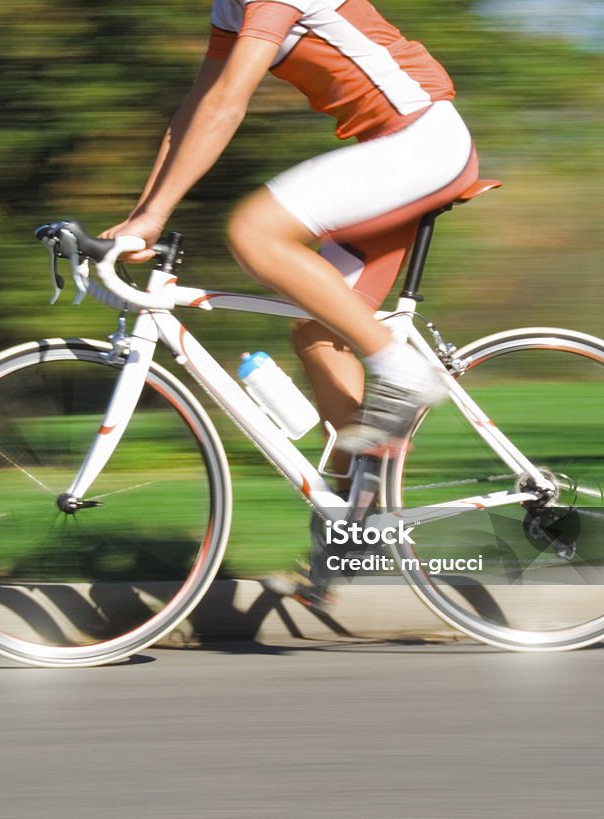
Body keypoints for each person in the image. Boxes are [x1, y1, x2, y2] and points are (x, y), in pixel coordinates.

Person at [103, 0, 480, 608]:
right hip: (393, 149)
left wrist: (157, 213)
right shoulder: (230, 8)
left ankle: (403, 369)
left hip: (421, 141)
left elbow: (230, 100)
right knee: (317, 331)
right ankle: (356, 520)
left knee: (255, 232)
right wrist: (143, 216)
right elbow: (195, 110)